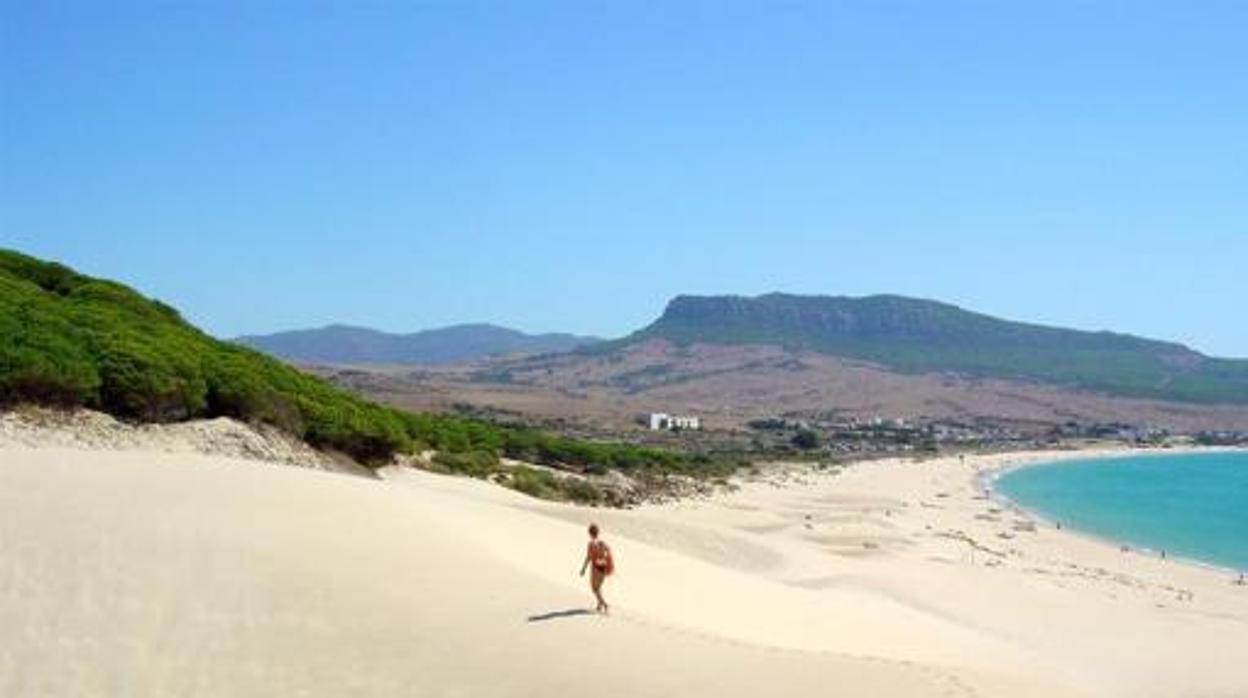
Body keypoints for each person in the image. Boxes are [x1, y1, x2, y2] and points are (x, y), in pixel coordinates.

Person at [579, 523, 613, 614]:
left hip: (595, 568)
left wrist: (583, 569)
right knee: (599, 587)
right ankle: (599, 604)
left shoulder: (591, 544)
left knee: (594, 588)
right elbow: (608, 553)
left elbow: (588, 557)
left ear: (590, 533)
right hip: (604, 567)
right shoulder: (603, 543)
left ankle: (604, 604)